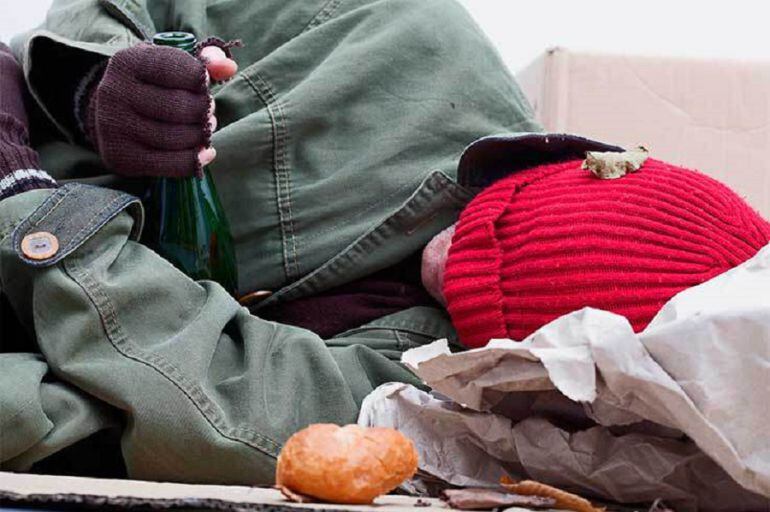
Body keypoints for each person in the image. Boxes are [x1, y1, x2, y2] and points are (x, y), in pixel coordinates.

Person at [0, 0, 542, 482]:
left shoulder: (455, 384)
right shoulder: (405, 32)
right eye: (525, 230)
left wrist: (18, 191)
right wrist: (91, 86)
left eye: (527, 291)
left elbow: (196, 418)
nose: (460, 271)